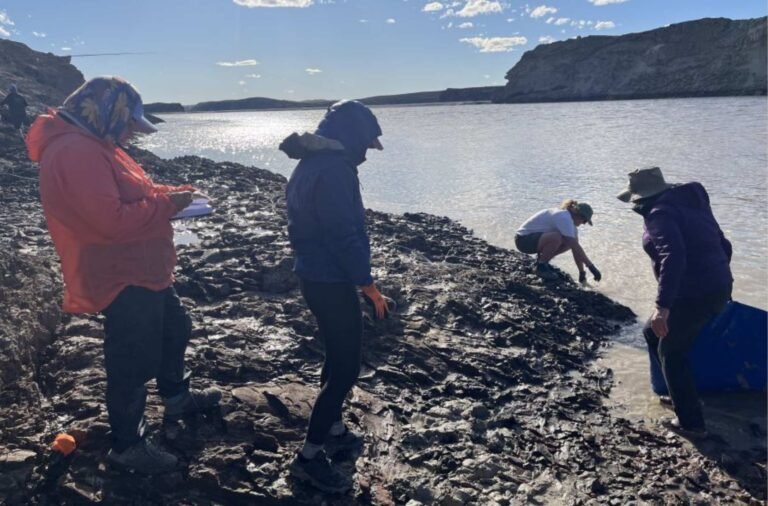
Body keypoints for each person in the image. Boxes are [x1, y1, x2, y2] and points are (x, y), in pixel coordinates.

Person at [26, 76, 221, 474]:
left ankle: (177, 395)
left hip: (143, 268)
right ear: (107, 113)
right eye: (129, 123)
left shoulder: (99, 144)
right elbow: (109, 220)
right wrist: (169, 206)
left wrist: (174, 193)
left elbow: (135, 191)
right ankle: (128, 445)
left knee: (174, 329)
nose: (133, 132)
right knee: (131, 361)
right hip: (118, 272)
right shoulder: (75, 151)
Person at [280, 100, 388, 494]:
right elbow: (343, 234)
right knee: (345, 368)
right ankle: (309, 457)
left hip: (312, 274)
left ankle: (337, 426)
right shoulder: (335, 170)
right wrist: (368, 285)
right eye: (367, 145)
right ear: (352, 139)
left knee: (334, 351)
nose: (367, 154)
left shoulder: (309, 163)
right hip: (332, 278)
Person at [618, 166, 733, 437]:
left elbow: (674, 257)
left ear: (641, 198)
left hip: (693, 293)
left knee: (671, 351)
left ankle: (692, 424)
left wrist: (662, 307)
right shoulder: (690, 203)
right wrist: (722, 279)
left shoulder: (659, 214)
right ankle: (680, 395)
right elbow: (723, 243)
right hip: (713, 285)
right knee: (651, 334)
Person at [515, 199, 602, 282]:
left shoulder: (570, 224)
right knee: (557, 237)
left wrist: (582, 272)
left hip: (535, 240)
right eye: (584, 221)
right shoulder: (563, 217)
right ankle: (541, 267)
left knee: (569, 243)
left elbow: (576, 249)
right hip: (523, 240)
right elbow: (574, 246)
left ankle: (542, 261)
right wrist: (591, 267)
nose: (583, 224)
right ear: (578, 214)